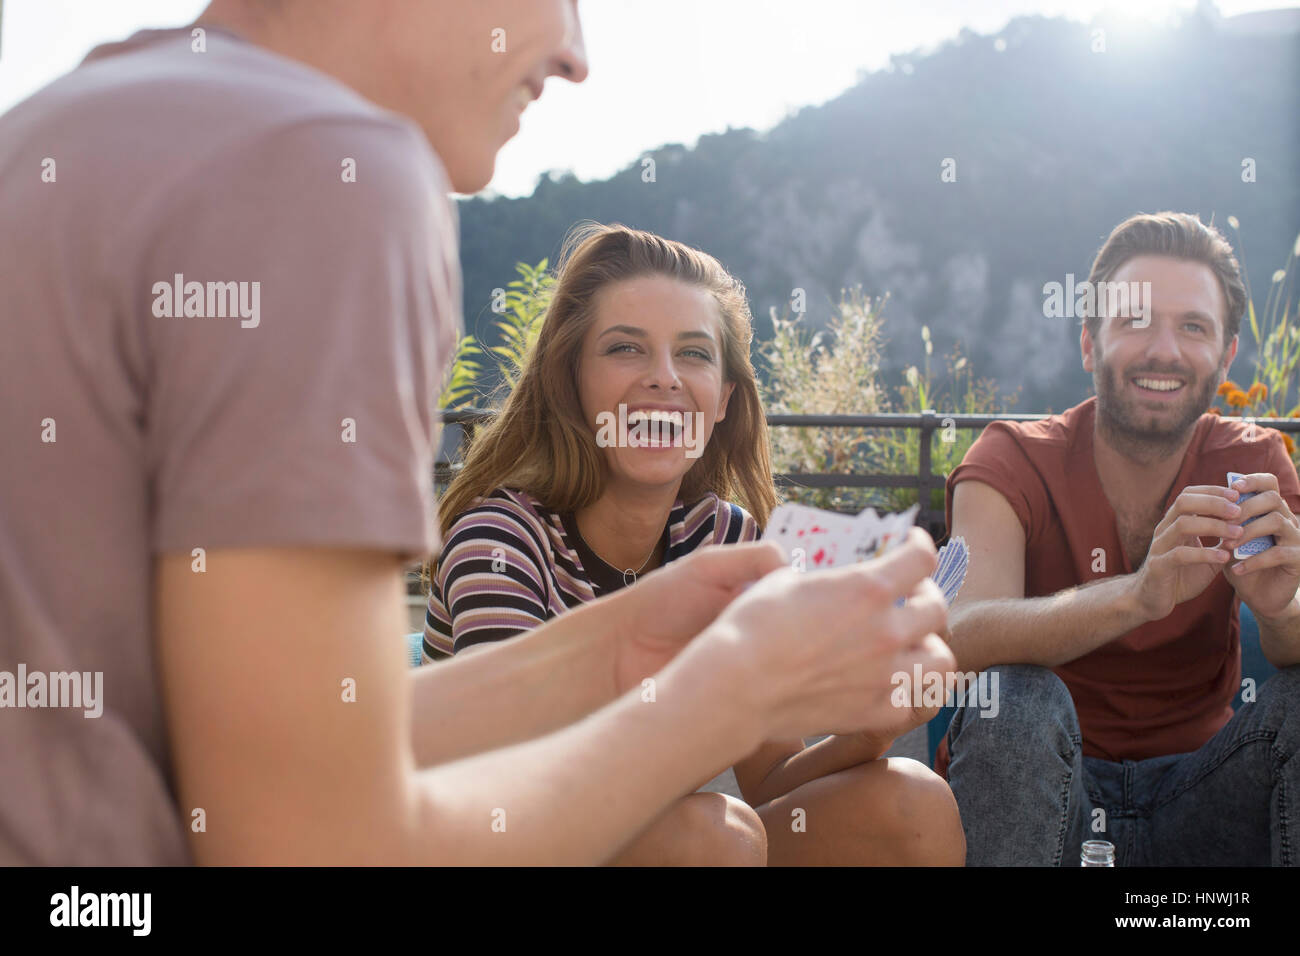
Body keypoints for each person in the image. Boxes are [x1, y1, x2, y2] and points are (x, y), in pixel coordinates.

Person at [0, 0, 957, 865]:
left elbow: (282, 747)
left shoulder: (62, 124)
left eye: (695, 357)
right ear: (569, 380)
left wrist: (618, 650)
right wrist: (734, 682)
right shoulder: (321, 165)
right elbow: (316, 845)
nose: (576, 55)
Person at [426, 221, 966, 865]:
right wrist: (712, 695)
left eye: (693, 353)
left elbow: (770, 778)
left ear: (722, 400)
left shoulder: (724, 538)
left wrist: (867, 731)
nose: (664, 378)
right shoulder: (499, 540)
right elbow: (518, 787)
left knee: (909, 802)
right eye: (626, 348)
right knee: (713, 839)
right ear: (570, 383)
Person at [940, 212, 1300, 866]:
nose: (1164, 349)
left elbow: (1292, 638)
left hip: (1206, 795)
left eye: (1192, 327)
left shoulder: (1259, 460)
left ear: (1224, 357)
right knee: (1016, 699)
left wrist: (1278, 609)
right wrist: (1137, 595)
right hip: (1051, 791)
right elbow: (957, 631)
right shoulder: (1011, 457)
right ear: (1089, 343)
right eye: (1135, 321)